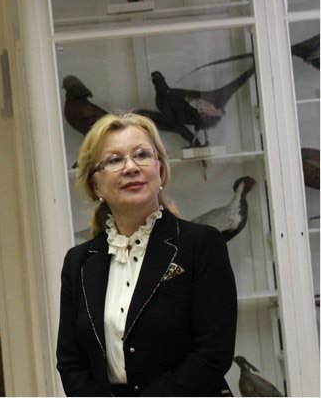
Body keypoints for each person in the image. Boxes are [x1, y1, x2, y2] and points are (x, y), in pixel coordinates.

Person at [56, 112, 237, 396]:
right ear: (95, 185)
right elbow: (70, 363)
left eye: (141, 155)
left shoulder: (201, 244)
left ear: (160, 169)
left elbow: (213, 352)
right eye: (114, 160)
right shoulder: (78, 262)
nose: (131, 167)